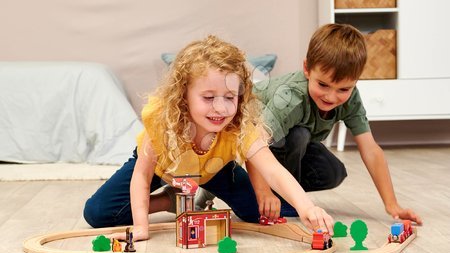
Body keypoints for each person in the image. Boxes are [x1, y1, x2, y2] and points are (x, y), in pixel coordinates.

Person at [83, 35, 334, 241]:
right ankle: (171, 199)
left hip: (215, 169)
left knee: (259, 212)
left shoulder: (239, 125)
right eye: (208, 97)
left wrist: (307, 207)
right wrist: (141, 226)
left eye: (229, 97)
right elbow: (142, 175)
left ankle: (194, 194)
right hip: (166, 167)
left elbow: (273, 170)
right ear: (184, 96)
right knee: (97, 213)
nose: (221, 108)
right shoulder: (164, 123)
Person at [244, 23, 422, 225]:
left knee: (332, 172)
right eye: (323, 85)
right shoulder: (290, 97)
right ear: (307, 69)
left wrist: (392, 205)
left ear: (356, 81)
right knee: (299, 134)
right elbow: (253, 141)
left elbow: (371, 150)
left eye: (343, 89)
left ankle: (285, 189)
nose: (331, 96)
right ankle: (273, 192)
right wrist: (263, 193)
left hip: (286, 145)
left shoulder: (352, 98)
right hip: (252, 143)